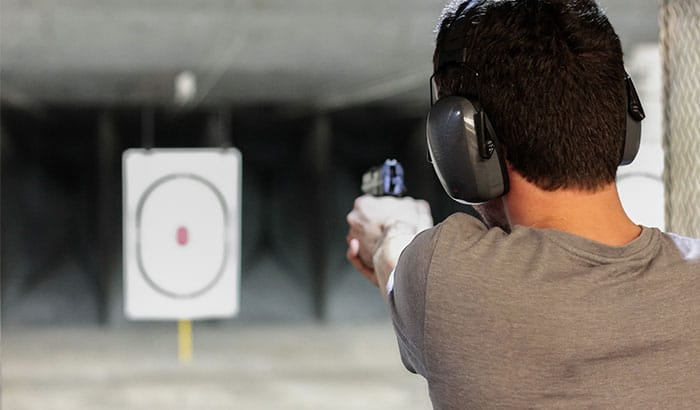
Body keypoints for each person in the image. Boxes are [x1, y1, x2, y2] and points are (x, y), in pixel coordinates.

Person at [346, 0, 700, 408]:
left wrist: (392, 226)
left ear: (461, 147)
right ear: (624, 118)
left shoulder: (442, 275)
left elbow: (395, 260)